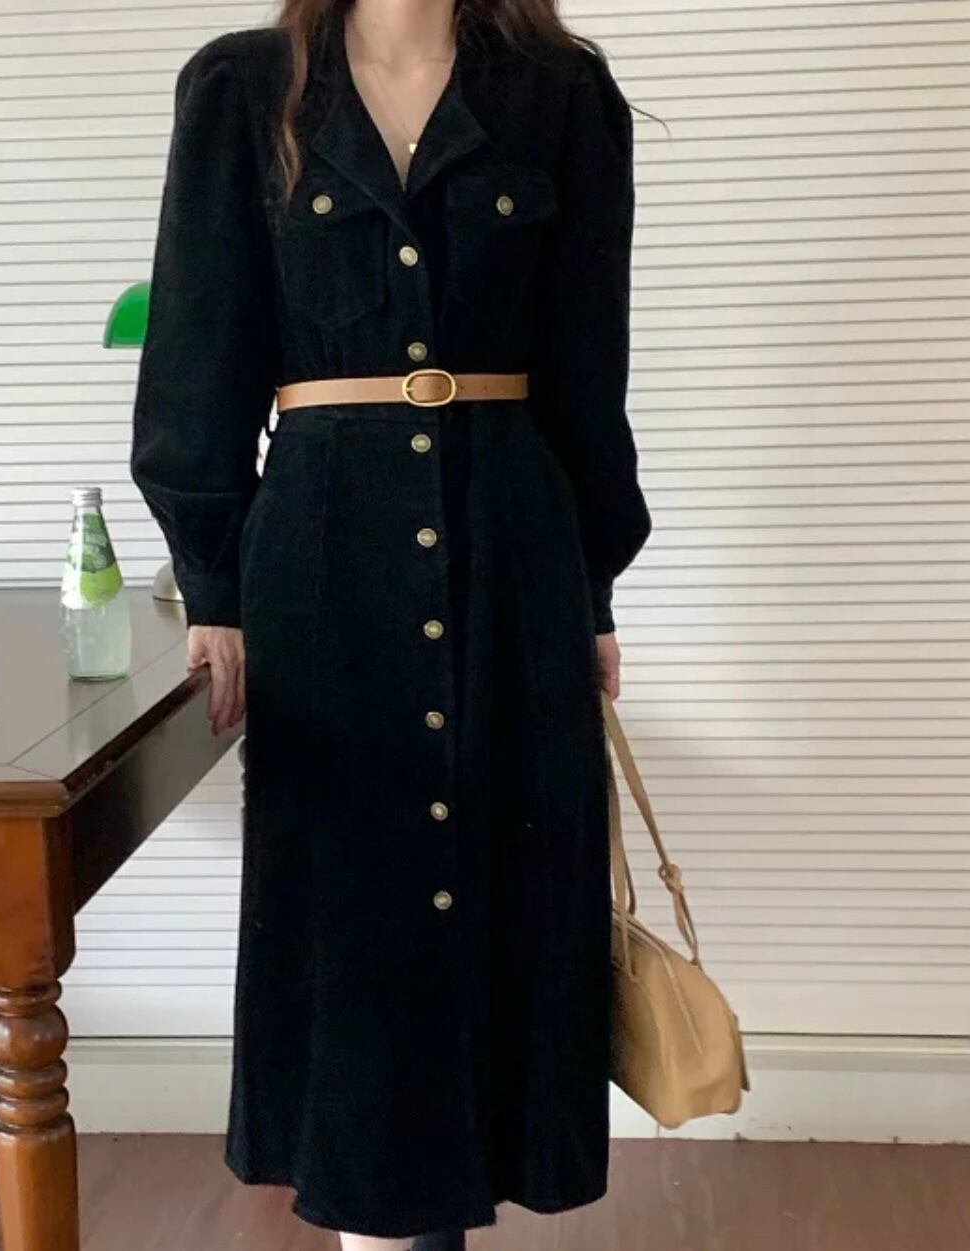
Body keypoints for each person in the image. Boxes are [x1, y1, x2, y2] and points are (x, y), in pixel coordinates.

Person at [130, 1, 652, 1247]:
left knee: (506, 889)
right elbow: (198, 355)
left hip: (515, 548)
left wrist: (591, 589)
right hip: (321, 557)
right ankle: (374, 1219)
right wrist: (214, 590)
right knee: (353, 899)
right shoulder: (243, 89)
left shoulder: (561, 94)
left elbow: (590, 364)